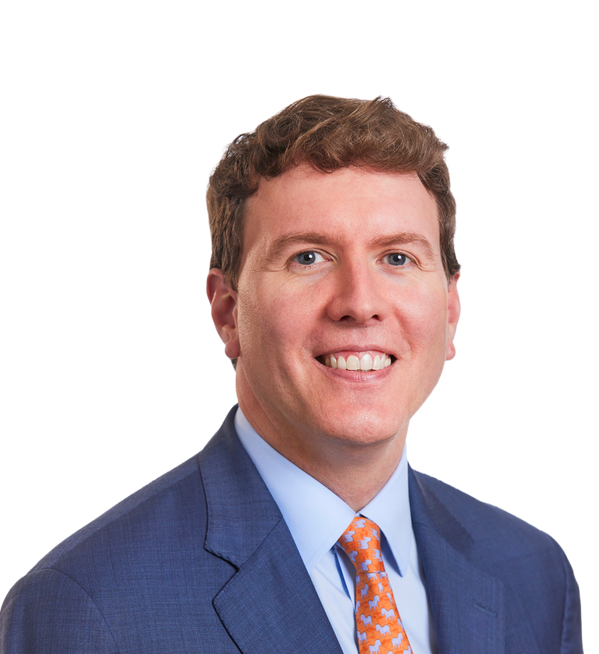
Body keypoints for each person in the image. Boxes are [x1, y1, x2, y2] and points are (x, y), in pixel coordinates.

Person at [0, 94, 582, 653]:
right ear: (226, 311)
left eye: (397, 258)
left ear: (453, 308)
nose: (360, 303)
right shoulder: (88, 605)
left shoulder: (533, 573)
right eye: (308, 257)